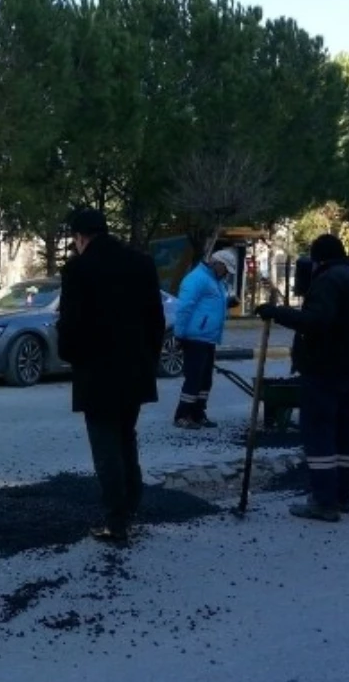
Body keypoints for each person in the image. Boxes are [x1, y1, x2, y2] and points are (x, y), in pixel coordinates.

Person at [57, 207, 167, 545]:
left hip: (97, 371)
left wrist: (71, 355)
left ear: (80, 236)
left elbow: (71, 324)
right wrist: (148, 358)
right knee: (126, 437)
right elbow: (156, 320)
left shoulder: (78, 269)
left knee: (105, 444)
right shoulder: (142, 263)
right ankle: (131, 506)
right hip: (135, 370)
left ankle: (116, 521)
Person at [254, 234, 349, 522]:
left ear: (318, 258)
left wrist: (277, 313)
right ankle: (343, 497)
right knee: (344, 433)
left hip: (323, 370)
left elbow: (316, 321)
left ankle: (323, 502)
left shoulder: (328, 281)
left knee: (320, 432)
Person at [172, 248, 236, 429]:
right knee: (194, 378)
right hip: (194, 337)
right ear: (218, 264)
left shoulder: (215, 281)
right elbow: (184, 308)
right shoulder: (198, 279)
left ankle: (198, 413)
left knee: (205, 379)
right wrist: (179, 334)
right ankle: (182, 415)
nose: (226, 274)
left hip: (207, 337)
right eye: (226, 269)